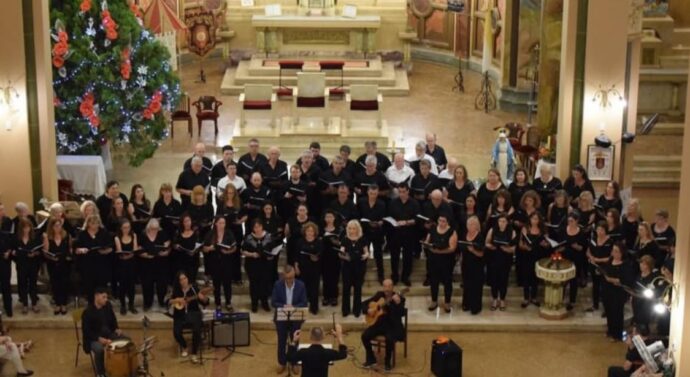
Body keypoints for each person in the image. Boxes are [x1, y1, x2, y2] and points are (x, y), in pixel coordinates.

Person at [361, 279, 406, 371]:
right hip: (379, 324)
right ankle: (371, 359)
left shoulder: (399, 298)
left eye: (389, 286)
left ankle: (387, 361)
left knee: (389, 339)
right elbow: (363, 304)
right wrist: (368, 310)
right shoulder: (379, 295)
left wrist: (398, 304)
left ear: (393, 287)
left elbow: (402, 313)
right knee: (364, 336)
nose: (387, 289)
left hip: (392, 325)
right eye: (385, 286)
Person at [82, 287, 127, 377]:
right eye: (104, 297)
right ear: (96, 296)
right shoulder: (88, 312)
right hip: (93, 338)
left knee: (126, 340)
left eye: (106, 297)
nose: (106, 300)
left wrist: (116, 328)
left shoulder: (107, 306)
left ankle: (122, 367)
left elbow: (113, 320)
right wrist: (99, 339)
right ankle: (101, 373)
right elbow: (86, 332)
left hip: (107, 334)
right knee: (99, 349)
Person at [271, 265, 307, 374]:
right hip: (282, 317)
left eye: (291, 278)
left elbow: (304, 302)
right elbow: (273, 302)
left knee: (294, 340)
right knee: (281, 341)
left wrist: (294, 307)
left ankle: (294, 362)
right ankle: (282, 362)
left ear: (294, 275)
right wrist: (284, 305)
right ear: (283, 276)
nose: (289, 280)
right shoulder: (278, 285)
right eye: (287, 278)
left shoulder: (301, 285)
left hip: (295, 317)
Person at [170, 271, 209, 363]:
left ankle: (194, 352)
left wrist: (202, 298)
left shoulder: (194, 289)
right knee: (176, 332)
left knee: (197, 330)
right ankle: (184, 346)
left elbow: (205, 302)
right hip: (180, 314)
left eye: (185, 278)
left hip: (193, 313)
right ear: (178, 282)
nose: (184, 281)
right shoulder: (176, 290)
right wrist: (177, 299)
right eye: (181, 279)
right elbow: (168, 301)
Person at [74, 215, 114, 303]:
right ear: (88, 224)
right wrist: (81, 249)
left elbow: (110, 247)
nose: (95, 225)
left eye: (97, 223)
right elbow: (76, 249)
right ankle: (92, 304)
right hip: (87, 264)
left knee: (102, 285)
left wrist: (105, 251)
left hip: (102, 263)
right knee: (89, 285)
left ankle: (103, 303)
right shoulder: (82, 234)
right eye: (92, 223)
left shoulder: (103, 232)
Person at [386, 184, 420, 286]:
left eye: (403, 192)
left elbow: (417, 219)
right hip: (395, 233)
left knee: (408, 256)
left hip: (409, 233)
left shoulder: (414, 203)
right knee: (394, 256)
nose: (401, 194)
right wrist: (393, 222)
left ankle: (405, 277)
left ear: (408, 191)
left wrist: (406, 222)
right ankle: (395, 276)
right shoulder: (393, 202)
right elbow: (389, 216)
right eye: (399, 192)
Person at [243, 220, 278, 312]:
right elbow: (243, 251)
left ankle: (264, 302)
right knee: (254, 284)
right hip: (252, 264)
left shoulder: (269, 237)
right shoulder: (248, 238)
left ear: (262, 227)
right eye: (255, 227)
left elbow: (273, 249)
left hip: (265, 264)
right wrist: (251, 254)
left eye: (259, 226)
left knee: (265, 284)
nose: (257, 229)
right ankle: (254, 303)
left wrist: (271, 255)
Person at [424, 214, 457, 312]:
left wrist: (439, 251)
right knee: (434, 281)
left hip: (447, 260)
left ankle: (447, 302)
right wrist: (427, 245)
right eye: (440, 220)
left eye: (443, 221)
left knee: (447, 282)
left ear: (447, 222)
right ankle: (434, 301)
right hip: (433, 259)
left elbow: (452, 248)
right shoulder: (433, 229)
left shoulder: (452, 231)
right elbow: (427, 241)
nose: (441, 223)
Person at [602, 243, 634, 341]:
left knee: (616, 312)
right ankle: (610, 330)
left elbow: (627, 279)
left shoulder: (626, 264)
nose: (613, 253)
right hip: (608, 289)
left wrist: (614, 280)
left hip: (618, 292)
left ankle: (617, 334)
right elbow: (606, 271)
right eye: (613, 250)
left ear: (621, 253)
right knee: (609, 311)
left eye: (616, 251)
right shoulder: (611, 260)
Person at [203, 216, 236, 310]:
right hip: (214, 261)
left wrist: (227, 251)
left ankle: (228, 302)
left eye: (224, 223)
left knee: (227, 283)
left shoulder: (229, 233)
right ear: (216, 223)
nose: (222, 225)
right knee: (216, 284)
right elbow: (204, 249)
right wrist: (209, 248)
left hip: (227, 261)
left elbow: (234, 247)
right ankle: (218, 303)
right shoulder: (210, 234)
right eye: (220, 223)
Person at [216, 183, 247, 284]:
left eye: (232, 193)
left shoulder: (239, 202)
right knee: (224, 254)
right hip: (225, 230)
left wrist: (240, 221)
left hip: (236, 229)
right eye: (228, 193)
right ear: (225, 193)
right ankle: (225, 278)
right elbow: (217, 216)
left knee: (236, 253)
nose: (230, 195)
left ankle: (237, 278)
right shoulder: (221, 202)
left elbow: (245, 215)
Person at [485, 213, 516, 311]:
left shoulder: (512, 232)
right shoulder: (492, 230)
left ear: (507, 222)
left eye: (503, 221)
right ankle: (494, 299)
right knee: (494, 279)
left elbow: (513, 249)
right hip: (494, 257)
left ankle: (502, 299)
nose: (501, 223)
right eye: (500, 221)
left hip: (505, 258)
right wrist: (491, 246)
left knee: (504, 280)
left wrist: (505, 248)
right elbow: (486, 243)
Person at [138, 218, 171, 310]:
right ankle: (147, 303)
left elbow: (168, 245)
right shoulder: (143, 235)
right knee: (147, 284)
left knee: (162, 284)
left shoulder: (162, 234)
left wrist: (166, 252)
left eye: (156, 228)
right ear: (148, 227)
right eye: (152, 228)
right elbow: (139, 248)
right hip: (146, 263)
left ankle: (162, 301)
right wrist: (144, 254)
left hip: (160, 263)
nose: (154, 230)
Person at [518, 212, 549, 307]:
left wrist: (545, 244)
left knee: (535, 277)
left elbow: (547, 244)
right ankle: (526, 298)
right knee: (526, 277)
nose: (534, 221)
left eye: (536, 219)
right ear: (530, 219)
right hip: (527, 255)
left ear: (539, 220)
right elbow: (520, 244)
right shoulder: (525, 228)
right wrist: (525, 247)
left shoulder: (543, 230)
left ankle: (534, 298)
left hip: (538, 255)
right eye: (533, 218)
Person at [558, 213, 588, 311]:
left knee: (573, 280)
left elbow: (583, 248)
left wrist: (577, 247)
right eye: (568, 221)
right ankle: (559, 298)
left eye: (572, 221)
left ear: (577, 221)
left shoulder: (581, 232)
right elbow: (561, 244)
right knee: (562, 279)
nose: (570, 223)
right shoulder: (563, 230)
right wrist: (560, 248)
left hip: (576, 258)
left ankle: (572, 301)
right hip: (565, 257)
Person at [42, 217, 72, 315]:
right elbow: (45, 252)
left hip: (64, 263)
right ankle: (57, 304)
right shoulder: (47, 236)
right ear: (51, 226)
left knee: (64, 283)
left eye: (59, 225)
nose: (58, 227)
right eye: (56, 226)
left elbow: (70, 249)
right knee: (55, 284)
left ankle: (63, 304)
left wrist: (69, 256)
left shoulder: (66, 235)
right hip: (53, 264)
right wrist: (51, 258)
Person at [340, 220, 369, 317]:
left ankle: (357, 310)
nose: (352, 230)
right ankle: (345, 310)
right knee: (346, 289)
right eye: (350, 228)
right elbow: (341, 252)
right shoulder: (345, 239)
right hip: (347, 267)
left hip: (359, 266)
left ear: (358, 229)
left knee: (358, 289)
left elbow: (367, 252)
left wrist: (365, 256)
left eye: (354, 228)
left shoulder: (362, 239)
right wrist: (343, 255)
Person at [358, 185, 387, 284]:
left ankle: (381, 276)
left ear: (378, 193)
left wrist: (380, 222)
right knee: (363, 254)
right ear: (367, 192)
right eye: (371, 193)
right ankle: (360, 276)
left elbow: (383, 218)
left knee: (378, 254)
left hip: (377, 232)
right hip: (365, 231)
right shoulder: (361, 202)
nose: (373, 196)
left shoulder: (382, 204)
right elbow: (358, 216)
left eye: (375, 194)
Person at [13, 218, 41, 314]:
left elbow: (39, 251)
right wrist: (18, 254)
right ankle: (25, 304)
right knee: (22, 284)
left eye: (28, 227)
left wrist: (35, 254)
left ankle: (34, 303)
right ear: (21, 228)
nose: (26, 229)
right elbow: (14, 252)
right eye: (24, 227)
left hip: (33, 265)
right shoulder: (16, 239)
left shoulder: (35, 237)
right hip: (21, 265)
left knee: (33, 284)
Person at [295, 222, 322, 315]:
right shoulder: (300, 241)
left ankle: (314, 308)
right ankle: (303, 307)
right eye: (308, 230)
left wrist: (317, 257)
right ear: (305, 231)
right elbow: (296, 255)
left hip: (315, 268)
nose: (310, 232)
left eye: (312, 231)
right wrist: (296, 266)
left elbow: (321, 254)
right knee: (302, 288)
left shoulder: (318, 241)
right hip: (302, 267)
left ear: (315, 232)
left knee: (314, 289)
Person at [459, 216, 485, 315]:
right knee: (467, 285)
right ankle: (467, 304)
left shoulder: (480, 236)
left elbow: (482, 254)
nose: (470, 226)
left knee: (476, 286)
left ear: (476, 225)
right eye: (468, 224)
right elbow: (462, 250)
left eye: (472, 224)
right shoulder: (464, 234)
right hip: (466, 264)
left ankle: (476, 307)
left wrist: (473, 250)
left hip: (477, 265)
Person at [587, 221, 614, 313]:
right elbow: (588, 251)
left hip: (604, 267)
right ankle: (595, 305)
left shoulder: (610, 241)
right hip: (594, 266)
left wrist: (599, 260)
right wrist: (591, 257)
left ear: (606, 230)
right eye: (598, 229)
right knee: (595, 286)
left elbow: (611, 257)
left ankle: (606, 309)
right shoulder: (593, 239)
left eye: (602, 230)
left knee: (605, 288)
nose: (599, 232)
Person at [320, 210, 343, 306]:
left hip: (335, 257)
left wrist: (337, 243)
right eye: (327, 217)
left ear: (334, 218)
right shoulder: (321, 230)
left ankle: (334, 297)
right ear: (325, 219)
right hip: (324, 257)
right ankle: (326, 297)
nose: (329, 219)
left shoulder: (339, 230)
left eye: (331, 217)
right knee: (326, 278)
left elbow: (342, 243)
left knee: (334, 278)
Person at [172, 213, 201, 284]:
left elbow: (199, 245)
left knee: (191, 281)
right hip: (181, 260)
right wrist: (176, 246)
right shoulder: (178, 232)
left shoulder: (196, 233)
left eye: (189, 221)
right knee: (182, 281)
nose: (187, 223)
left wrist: (195, 251)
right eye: (185, 221)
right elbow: (174, 244)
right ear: (182, 223)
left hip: (193, 260)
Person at [632, 255, 660, 328]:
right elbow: (635, 286)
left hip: (646, 303)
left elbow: (655, 292)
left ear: (649, 266)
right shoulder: (639, 275)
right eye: (641, 263)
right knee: (636, 319)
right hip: (636, 300)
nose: (641, 265)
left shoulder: (653, 277)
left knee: (643, 321)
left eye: (644, 264)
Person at [0, 203, 14, 317]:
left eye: (2, 210)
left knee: (6, 284)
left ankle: (8, 308)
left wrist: (9, 251)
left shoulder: (7, 221)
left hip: (5, 259)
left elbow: (11, 239)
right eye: (1, 210)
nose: (3, 212)